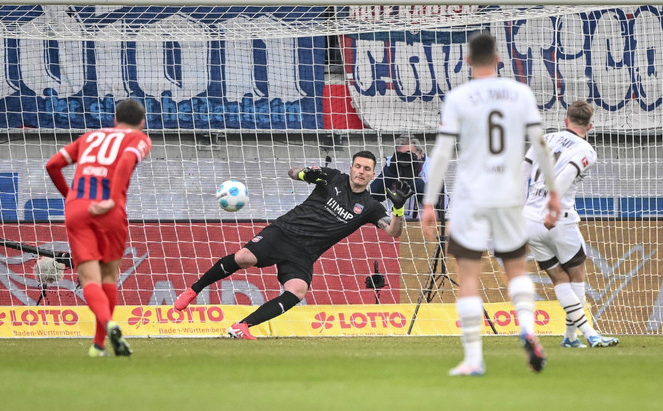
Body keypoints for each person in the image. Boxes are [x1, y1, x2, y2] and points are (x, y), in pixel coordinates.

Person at [421, 32, 561, 376]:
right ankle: (527, 327)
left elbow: (442, 152)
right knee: (516, 267)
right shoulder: (520, 93)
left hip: (471, 195)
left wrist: (428, 202)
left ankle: (473, 358)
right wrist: (553, 191)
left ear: (467, 61)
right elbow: (540, 144)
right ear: (499, 59)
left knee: (468, 274)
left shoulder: (459, 97)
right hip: (509, 193)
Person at [174, 151, 413, 339]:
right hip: (284, 232)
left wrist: (399, 210)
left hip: (305, 253)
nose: (361, 172)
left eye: (367, 169)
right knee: (244, 257)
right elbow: (292, 172)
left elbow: (393, 231)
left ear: (372, 175)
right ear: (351, 167)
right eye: (358, 166)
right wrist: (305, 173)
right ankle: (193, 290)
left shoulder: (370, 206)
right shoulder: (332, 177)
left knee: (297, 290)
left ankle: (242, 326)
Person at [45, 99, 151, 357]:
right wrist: (111, 200)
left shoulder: (90, 137)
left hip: (77, 209)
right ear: (141, 122)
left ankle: (99, 344)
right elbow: (126, 161)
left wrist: (70, 196)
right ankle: (101, 338)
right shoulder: (139, 138)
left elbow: (52, 165)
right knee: (108, 277)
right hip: (109, 211)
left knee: (89, 279)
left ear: (115, 119)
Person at [522, 100, 619, 348]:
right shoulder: (586, 150)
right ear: (590, 125)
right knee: (576, 276)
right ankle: (590, 334)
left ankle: (571, 337)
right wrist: (553, 206)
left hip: (529, 219)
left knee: (559, 279)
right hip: (558, 220)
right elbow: (566, 175)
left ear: (566, 121)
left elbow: (522, 171)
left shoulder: (545, 138)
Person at [369, 136, 436, 218]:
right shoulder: (392, 165)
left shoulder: (431, 168)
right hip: (394, 221)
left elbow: (439, 204)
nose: (405, 159)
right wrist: (389, 173)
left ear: (420, 153)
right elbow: (372, 196)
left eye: (409, 154)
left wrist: (414, 182)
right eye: (401, 155)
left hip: (421, 223)